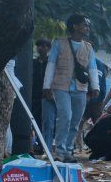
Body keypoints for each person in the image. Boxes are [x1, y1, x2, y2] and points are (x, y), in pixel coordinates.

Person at [42, 14, 99, 163]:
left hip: (81, 88)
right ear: (75, 26)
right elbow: (51, 65)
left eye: (88, 25)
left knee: (75, 121)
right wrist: (46, 86)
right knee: (65, 117)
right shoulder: (58, 43)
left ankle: (68, 150)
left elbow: (92, 67)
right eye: (84, 24)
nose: (87, 27)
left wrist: (95, 86)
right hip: (61, 86)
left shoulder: (88, 47)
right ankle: (60, 151)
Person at [32, 38, 52, 153]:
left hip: (46, 96)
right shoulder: (33, 63)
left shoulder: (50, 63)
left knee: (46, 121)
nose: (41, 48)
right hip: (34, 96)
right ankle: (39, 144)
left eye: (44, 46)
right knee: (36, 121)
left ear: (48, 48)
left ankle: (44, 145)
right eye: (39, 46)